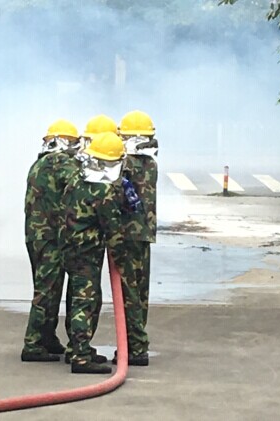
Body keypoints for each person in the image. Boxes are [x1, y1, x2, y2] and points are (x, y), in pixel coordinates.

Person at [60, 131, 126, 374]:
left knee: (79, 298)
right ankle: (80, 357)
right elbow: (114, 230)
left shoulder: (77, 180)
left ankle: (79, 348)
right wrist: (122, 258)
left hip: (69, 249)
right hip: (86, 254)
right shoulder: (103, 192)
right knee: (85, 303)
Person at [21, 119, 81, 362]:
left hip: (37, 236)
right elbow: (78, 185)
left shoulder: (40, 163)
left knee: (50, 287)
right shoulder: (60, 162)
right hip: (50, 238)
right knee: (47, 290)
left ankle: (47, 337)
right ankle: (33, 343)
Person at [114, 110, 158, 366]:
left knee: (130, 292)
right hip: (143, 235)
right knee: (140, 292)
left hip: (128, 235)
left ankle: (136, 347)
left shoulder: (127, 164)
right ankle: (137, 344)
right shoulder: (149, 161)